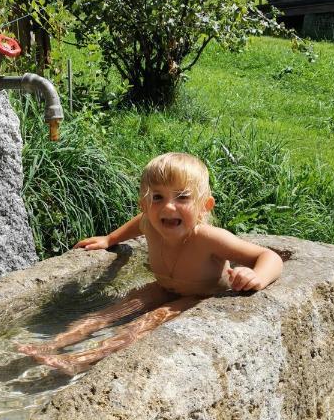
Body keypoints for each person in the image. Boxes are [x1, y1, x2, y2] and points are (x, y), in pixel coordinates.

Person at [18, 152, 283, 374]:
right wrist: (110, 239)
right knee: (109, 313)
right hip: (163, 286)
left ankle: (80, 361)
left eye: (182, 197)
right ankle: (54, 344)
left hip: (201, 296)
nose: (168, 208)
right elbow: (138, 223)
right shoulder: (150, 223)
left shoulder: (209, 238)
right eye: (157, 197)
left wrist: (257, 276)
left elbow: (269, 257)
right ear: (145, 204)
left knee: (146, 323)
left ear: (205, 206)